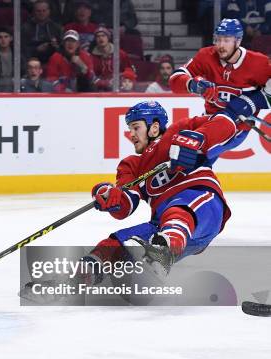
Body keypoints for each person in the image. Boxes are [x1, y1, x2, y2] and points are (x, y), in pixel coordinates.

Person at [84, 101, 236, 280]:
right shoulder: (131, 165)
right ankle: (78, 277)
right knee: (115, 244)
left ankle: (163, 251)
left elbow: (227, 123)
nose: (131, 134)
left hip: (202, 205)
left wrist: (195, 139)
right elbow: (125, 206)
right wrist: (110, 196)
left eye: (135, 127)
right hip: (165, 228)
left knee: (176, 210)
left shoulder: (177, 132)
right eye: (130, 129)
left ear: (154, 127)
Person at [169, 19, 270, 119]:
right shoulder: (206, 56)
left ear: (238, 41)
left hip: (239, 124)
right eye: (218, 39)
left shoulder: (258, 62)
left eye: (226, 40)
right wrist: (193, 84)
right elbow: (175, 80)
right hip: (210, 119)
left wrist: (251, 103)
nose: (221, 45)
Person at [90, 26, 133, 91]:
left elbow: (130, 71)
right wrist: (104, 83)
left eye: (103, 35)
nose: (101, 38)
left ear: (108, 38)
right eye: (98, 36)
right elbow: (92, 76)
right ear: (95, 39)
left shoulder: (120, 54)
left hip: (119, 87)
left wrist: (125, 81)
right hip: (100, 89)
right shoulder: (92, 57)